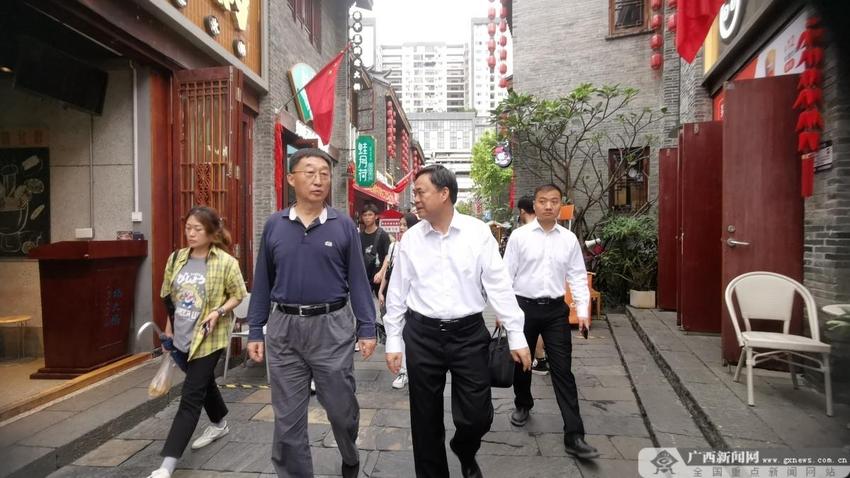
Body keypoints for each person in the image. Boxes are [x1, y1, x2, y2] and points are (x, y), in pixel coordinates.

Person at [383, 165, 532, 478]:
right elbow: (397, 292)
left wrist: (517, 336)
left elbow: (499, 286)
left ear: (444, 193)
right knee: (424, 419)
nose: (415, 200)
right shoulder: (411, 239)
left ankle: (465, 448)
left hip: (467, 334)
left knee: (477, 416)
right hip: (421, 335)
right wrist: (394, 340)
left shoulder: (477, 234)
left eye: (421, 192)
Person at [245, 148, 377, 478]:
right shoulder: (275, 225)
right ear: (291, 179)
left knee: (340, 410)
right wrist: (255, 329)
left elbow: (359, 281)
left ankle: (349, 451)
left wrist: (367, 327)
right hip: (284, 329)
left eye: (324, 173)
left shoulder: (343, 225)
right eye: (309, 172)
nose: (318, 180)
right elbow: (262, 280)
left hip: (331, 327)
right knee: (287, 421)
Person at [147, 206, 248, 478]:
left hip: (208, 339)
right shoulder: (176, 259)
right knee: (203, 384)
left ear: (212, 232)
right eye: (188, 227)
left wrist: (219, 311)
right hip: (181, 338)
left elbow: (238, 294)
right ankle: (219, 422)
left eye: (197, 229)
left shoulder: (226, 263)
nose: (190, 233)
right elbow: (170, 299)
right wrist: (168, 335)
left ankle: (166, 466)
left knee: (190, 397)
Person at [502, 184, 599, 460]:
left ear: (560, 205)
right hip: (523, 309)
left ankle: (575, 434)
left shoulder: (568, 239)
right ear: (534, 204)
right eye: (543, 201)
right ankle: (523, 403)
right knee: (522, 363)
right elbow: (506, 275)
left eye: (554, 201)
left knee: (562, 370)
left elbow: (578, 276)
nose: (548, 206)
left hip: (555, 310)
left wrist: (582, 311)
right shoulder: (519, 237)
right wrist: (505, 310)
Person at [377, 212, 420, 389]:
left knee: (411, 336)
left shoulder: (418, 244)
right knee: (398, 332)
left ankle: (412, 368)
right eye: (401, 224)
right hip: (394, 294)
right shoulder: (394, 246)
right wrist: (381, 292)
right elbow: (388, 271)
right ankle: (403, 371)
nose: (402, 228)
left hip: (412, 300)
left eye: (405, 225)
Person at [517, 194, 549, 375]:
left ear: (522, 211)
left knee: (532, 331)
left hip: (527, 295)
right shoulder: (547, 230)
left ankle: (540, 359)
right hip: (550, 295)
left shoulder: (522, 234)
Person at [360, 202, 391, 297]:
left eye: (370, 215)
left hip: (380, 277)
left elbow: (388, 255)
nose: (367, 217)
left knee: (383, 306)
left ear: (376, 216)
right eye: (365, 215)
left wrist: (381, 272)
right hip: (365, 277)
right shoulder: (359, 236)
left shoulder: (383, 235)